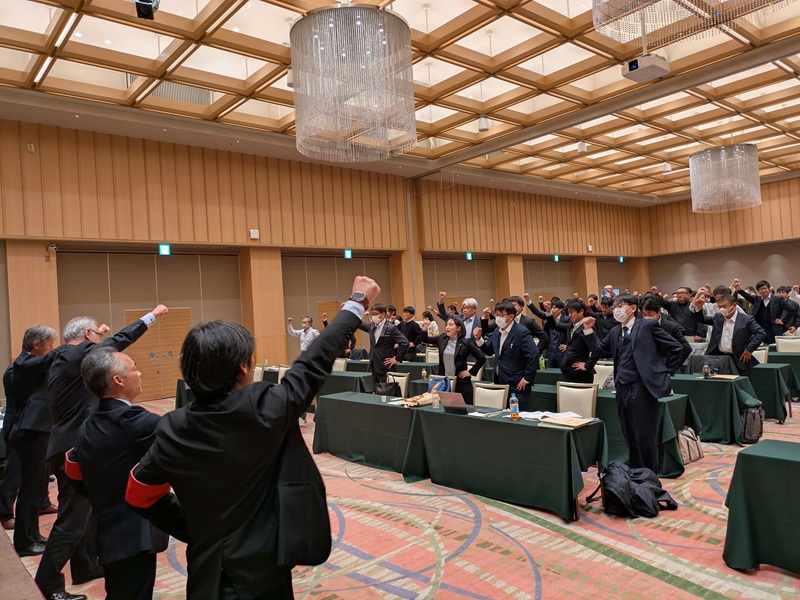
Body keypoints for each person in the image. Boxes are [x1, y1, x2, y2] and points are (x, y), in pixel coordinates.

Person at [126, 276, 381, 600]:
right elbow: (315, 361)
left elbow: (138, 493)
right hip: (263, 574)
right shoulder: (265, 410)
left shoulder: (171, 428)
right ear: (243, 368)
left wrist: (194, 527)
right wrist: (357, 301)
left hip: (205, 574)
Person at [36, 305, 168, 600]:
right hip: (75, 447)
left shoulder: (60, 357)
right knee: (71, 521)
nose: (101, 344)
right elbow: (118, 342)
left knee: (89, 513)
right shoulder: (78, 355)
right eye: (96, 335)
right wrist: (151, 316)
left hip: (69, 441)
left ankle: (85, 566)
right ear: (86, 335)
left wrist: (98, 334)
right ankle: (47, 582)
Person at [65, 348, 168, 600]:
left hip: (107, 531)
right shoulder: (133, 421)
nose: (139, 373)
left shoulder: (88, 424)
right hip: (134, 534)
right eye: (134, 368)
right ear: (118, 380)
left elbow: (76, 476)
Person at [581, 294, 684, 473]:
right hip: (621, 386)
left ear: (633, 308)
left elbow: (676, 348)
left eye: (620, 305)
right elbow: (598, 350)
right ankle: (636, 471)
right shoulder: (615, 331)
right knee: (628, 432)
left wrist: (661, 372)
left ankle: (649, 474)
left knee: (645, 434)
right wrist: (589, 331)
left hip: (642, 386)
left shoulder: (647, 325)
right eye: (615, 306)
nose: (616, 309)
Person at [9, 325, 59, 556]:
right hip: (30, 432)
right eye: (49, 344)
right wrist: (78, 343)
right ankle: (24, 542)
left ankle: (33, 535)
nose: (52, 348)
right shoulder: (24, 363)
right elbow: (54, 357)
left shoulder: (33, 363)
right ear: (36, 345)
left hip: (38, 431)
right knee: (30, 489)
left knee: (38, 488)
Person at [473, 301, 538, 411]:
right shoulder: (496, 331)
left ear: (511, 316)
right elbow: (489, 350)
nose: (498, 318)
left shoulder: (521, 332)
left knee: (518, 414)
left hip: (517, 383)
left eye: (501, 315)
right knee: (501, 414)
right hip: (500, 381)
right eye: (496, 315)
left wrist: (527, 378)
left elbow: (533, 354)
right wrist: (479, 339)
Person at [690, 293, 766, 374]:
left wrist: (749, 349)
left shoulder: (746, 319)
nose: (722, 309)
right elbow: (703, 320)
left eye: (724, 306)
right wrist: (699, 308)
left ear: (734, 306)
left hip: (739, 358)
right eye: (720, 307)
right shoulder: (718, 317)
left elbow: (761, 333)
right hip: (720, 358)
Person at [421, 316, 485, 404]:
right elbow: (424, 339)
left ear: (458, 328)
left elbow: (481, 357)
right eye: (447, 325)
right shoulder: (442, 338)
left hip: (461, 383)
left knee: (460, 409)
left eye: (451, 325)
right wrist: (425, 328)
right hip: (444, 382)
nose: (447, 327)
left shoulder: (466, 342)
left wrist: (470, 372)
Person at [543, 299, 595, 384]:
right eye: (568, 312)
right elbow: (554, 325)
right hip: (568, 373)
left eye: (572, 312)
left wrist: (588, 365)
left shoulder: (587, 328)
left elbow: (597, 350)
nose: (569, 315)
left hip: (581, 375)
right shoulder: (570, 326)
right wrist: (548, 312)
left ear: (581, 311)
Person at [358, 303, 409, 389]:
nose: (373, 316)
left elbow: (405, 343)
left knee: (386, 391)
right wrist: (350, 310)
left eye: (375, 314)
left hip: (386, 365)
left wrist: (397, 359)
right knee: (376, 390)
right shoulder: (371, 326)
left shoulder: (391, 328)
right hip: (374, 364)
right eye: (372, 314)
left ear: (383, 314)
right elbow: (358, 323)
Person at [640, 295, 692, 372]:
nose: (646, 317)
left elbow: (686, 348)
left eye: (649, 313)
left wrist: (670, 367)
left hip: (663, 368)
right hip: (642, 368)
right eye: (644, 314)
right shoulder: (637, 325)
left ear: (659, 311)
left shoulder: (671, 327)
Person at [733, 279, 789, 344]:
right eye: (761, 289)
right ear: (758, 291)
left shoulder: (777, 299)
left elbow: (791, 310)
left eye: (765, 288)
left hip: (774, 330)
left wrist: (783, 320)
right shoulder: (757, 300)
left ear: (769, 289)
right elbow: (747, 297)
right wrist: (739, 290)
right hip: (760, 330)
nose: (763, 290)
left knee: (774, 347)